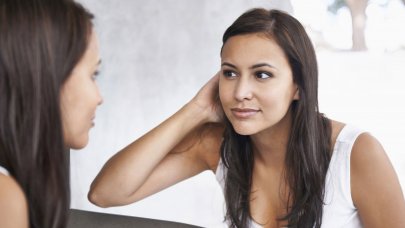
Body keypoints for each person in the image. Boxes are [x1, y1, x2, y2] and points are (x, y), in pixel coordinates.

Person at [88, 8, 405, 228]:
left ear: (298, 86)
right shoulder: (217, 146)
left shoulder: (355, 153)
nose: (240, 91)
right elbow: (106, 193)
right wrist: (195, 110)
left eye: (262, 74)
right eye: (230, 73)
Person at [0, 0, 102, 227]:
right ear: (47, 76)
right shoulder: (4, 199)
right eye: (93, 75)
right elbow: (107, 192)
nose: (99, 97)